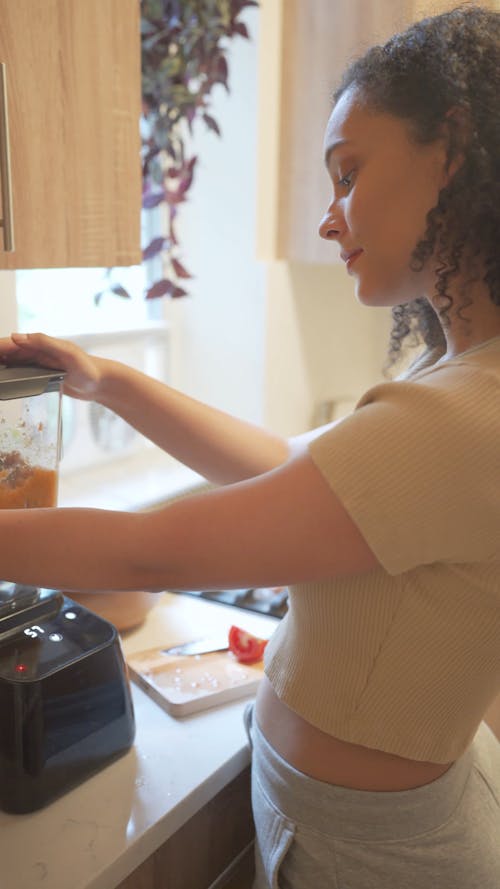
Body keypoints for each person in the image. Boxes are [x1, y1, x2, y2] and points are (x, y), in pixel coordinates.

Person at [1, 5, 500, 887]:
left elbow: (149, 549)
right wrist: (106, 380)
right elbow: (283, 461)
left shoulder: (466, 415)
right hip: (353, 818)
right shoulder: (452, 370)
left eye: (348, 175)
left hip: (381, 853)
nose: (329, 217)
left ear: (454, 151)